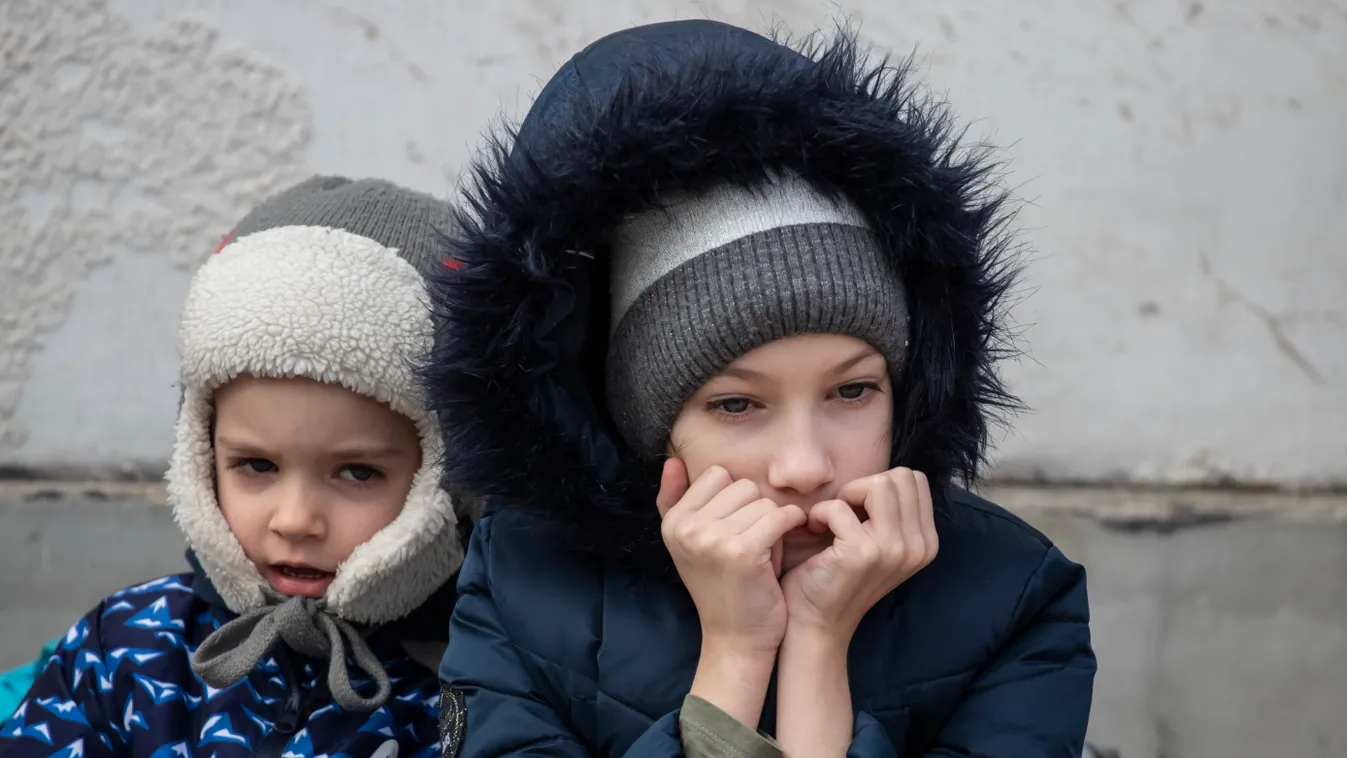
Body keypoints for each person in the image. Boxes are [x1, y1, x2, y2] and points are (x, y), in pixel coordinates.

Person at [427, 19, 1095, 758]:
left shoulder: (1014, 595)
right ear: (645, 424)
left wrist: (817, 643)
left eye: (852, 392)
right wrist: (736, 656)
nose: (805, 466)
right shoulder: (520, 586)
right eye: (735, 404)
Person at [0, 177, 474, 758]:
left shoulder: (478, 684)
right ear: (202, 456)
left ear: (450, 481)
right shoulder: (127, 646)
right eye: (256, 464)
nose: (295, 520)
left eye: (357, 473)